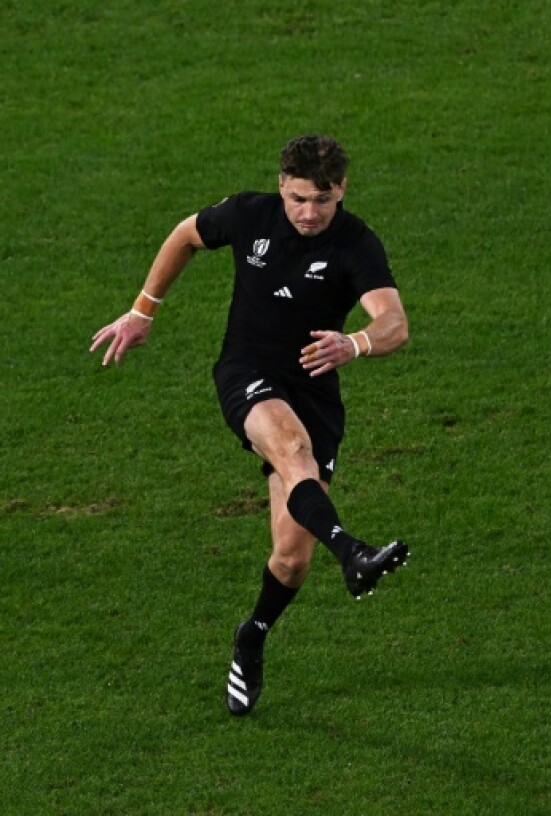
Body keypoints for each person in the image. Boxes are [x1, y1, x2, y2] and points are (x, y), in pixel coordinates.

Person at [91, 135, 412, 715]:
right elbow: (185, 235)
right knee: (293, 452)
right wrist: (143, 312)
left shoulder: (355, 242)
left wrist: (356, 342)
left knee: (291, 558)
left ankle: (252, 636)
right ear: (280, 186)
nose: (308, 213)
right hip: (247, 372)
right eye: (296, 199)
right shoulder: (249, 214)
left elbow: (394, 323)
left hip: (314, 389)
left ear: (341, 190)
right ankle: (354, 552)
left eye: (321, 199)